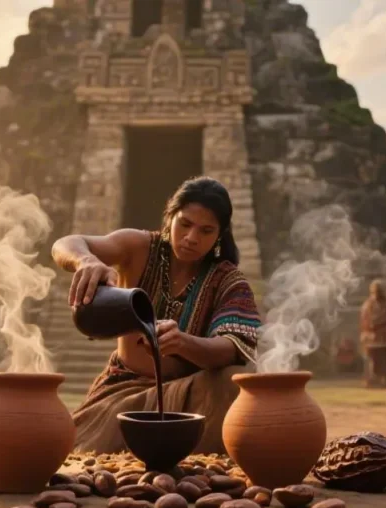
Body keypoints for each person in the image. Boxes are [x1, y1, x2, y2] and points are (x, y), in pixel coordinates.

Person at [52, 176, 262, 454]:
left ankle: (180, 458)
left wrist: (183, 343)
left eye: (206, 231)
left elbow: (234, 347)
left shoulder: (227, 280)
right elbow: (66, 243)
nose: (191, 238)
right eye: (185, 224)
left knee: (234, 383)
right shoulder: (138, 247)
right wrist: (86, 260)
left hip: (191, 398)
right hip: (123, 391)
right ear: (170, 216)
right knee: (74, 449)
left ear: (220, 235)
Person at [359, 280, 386, 388]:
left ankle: (384, 379)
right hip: (372, 336)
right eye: (375, 291)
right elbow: (365, 320)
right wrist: (368, 330)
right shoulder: (368, 305)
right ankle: (371, 380)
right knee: (372, 359)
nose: (377, 293)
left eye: (379, 291)